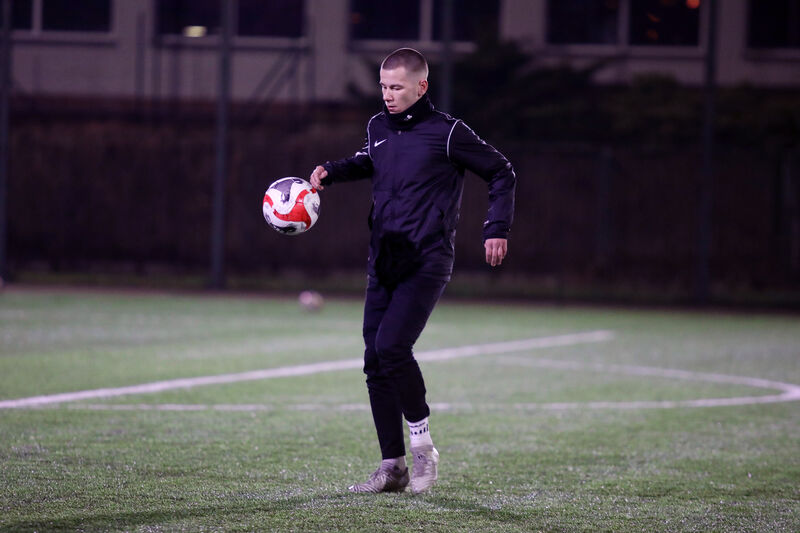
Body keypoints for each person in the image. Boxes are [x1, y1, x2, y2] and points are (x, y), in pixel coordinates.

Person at [309, 48, 515, 494]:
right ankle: (392, 466)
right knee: (374, 360)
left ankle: (423, 449)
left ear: (421, 87)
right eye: (383, 86)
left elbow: (501, 171)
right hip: (383, 258)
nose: (387, 95)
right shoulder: (378, 127)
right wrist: (334, 170)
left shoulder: (448, 133)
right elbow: (372, 160)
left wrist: (495, 228)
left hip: (427, 259)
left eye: (397, 87)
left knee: (392, 346)